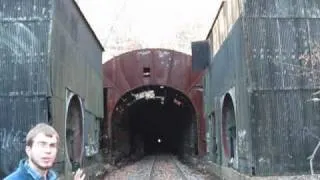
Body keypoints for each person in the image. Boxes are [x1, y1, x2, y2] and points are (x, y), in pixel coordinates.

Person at [4, 123, 86, 180]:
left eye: (52, 145)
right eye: (42, 144)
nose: (48, 150)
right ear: (28, 150)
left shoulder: (52, 177)